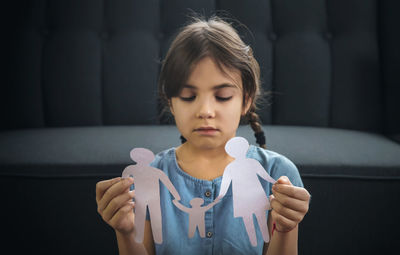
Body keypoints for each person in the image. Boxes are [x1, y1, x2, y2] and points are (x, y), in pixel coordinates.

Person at [96, 15, 310, 255]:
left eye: (222, 96)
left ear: (246, 100)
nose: (205, 111)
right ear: (170, 100)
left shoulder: (279, 174)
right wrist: (125, 231)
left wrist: (286, 227)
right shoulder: (150, 178)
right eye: (188, 97)